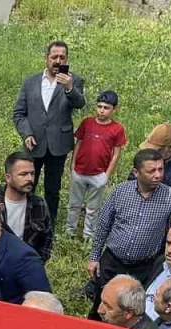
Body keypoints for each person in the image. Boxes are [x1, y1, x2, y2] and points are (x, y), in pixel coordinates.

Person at [88, 149, 171, 318]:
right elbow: (103, 225)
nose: (158, 175)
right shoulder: (120, 192)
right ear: (136, 173)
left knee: (132, 310)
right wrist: (94, 257)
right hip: (113, 261)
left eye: (160, 169)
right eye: (151, 171)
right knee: (102, 304)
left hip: (144, 266)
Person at [13, 40, 85, 221]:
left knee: (52, 189)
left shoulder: (74, 80)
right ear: (46, 58)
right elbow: (19, 113)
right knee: (27, 184)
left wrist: (69, 88)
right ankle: (24, 220)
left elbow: (79, 103)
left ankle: (48, 224)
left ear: (67, 59)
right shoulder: (31, 82)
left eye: (62, 57)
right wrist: (27, 133)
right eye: (54, 57)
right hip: (34, 143)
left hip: (58, 144)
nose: (58, 61)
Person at [66, 90, 126, 240]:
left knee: (93, 208)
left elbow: (116, 154)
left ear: (114, 109)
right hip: (79, 171)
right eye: (99, 106)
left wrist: (106, 175)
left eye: (106, 108)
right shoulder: (87, 123)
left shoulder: (117, 129)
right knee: (74, 204)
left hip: (99, 174)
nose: (101, 111)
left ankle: (88, 236)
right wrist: (73, 165)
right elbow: (78, 143)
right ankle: (69, 232)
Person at [0, 151, 54, 262]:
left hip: (26, 264)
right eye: (23, 174)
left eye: (32, 174)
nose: (29, 178)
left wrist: (36, 264)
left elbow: (47, 239)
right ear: (8, 178)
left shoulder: (39, 204)